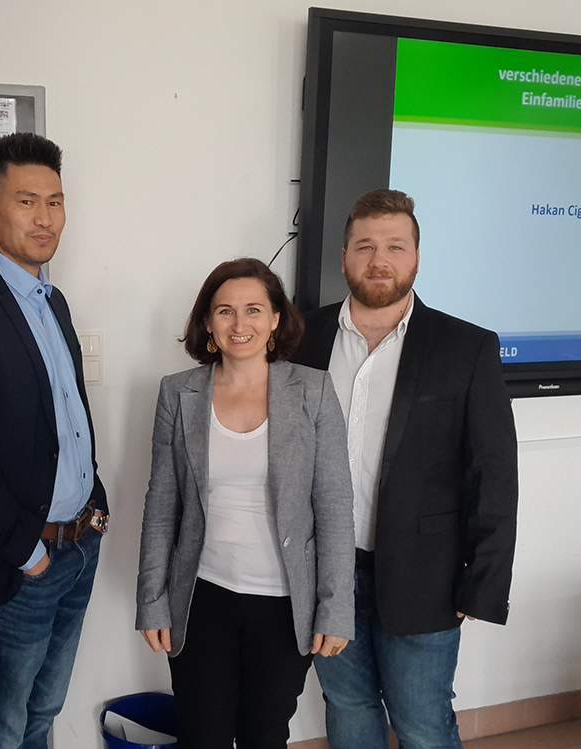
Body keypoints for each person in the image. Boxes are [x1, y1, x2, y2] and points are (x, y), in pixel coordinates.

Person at [291, 189, 519, 749]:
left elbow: (493, 473)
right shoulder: (301, 338)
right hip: (325, 573)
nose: (380, 260)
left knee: (422, 723)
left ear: (416, 256)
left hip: (427, 577)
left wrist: (482, 581)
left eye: (395, 246)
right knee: (348, 706)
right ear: (344, 256)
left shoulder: (465, 347)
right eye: (365, 246)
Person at [135, 258, 355, 749]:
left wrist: (336, 608)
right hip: (201, 596)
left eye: (254, 309)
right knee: (202, 735)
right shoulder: (178, 392)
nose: (240, 324)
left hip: (283, 603)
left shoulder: (314, 391)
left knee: (264, 734)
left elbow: (335, 507)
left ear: (275, 318)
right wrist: (151, 601)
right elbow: (161, 506)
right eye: (225, 311)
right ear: (208, 322)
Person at [0, 132, 108, 749]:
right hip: (20, 566)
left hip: (77, 548)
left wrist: (95, 506)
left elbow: (69, 414)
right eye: (27, 201)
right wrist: (24, 551)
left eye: (55, 202)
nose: (45, 218)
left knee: (43, 714)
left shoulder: (52, 300)